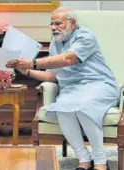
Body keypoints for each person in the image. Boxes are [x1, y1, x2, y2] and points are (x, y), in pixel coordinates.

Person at [6, 7, 119, 170]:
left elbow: (68, 59)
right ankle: (84, 160)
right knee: (63, 109)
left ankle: (101, 162)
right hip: (72, 88)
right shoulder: (55, 43)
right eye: (51, 24)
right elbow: (53, 76)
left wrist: (33, 63)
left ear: (72, 23)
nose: (53, 28)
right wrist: (27, 71)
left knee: (84, 108)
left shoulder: (85, 36)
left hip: (98, 85)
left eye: (58, 23)